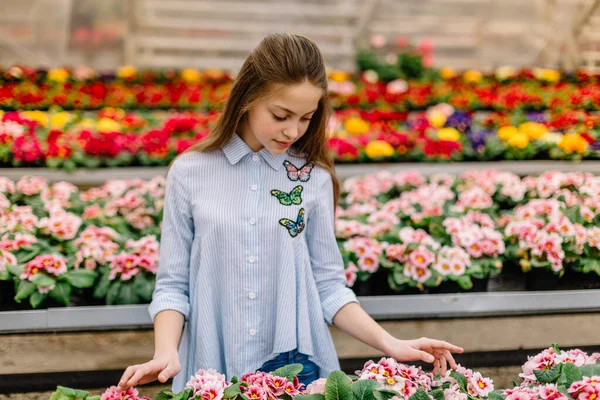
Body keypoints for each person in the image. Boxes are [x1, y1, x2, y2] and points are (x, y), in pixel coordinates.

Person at [117, 33, 463, 392]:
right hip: (211, 371)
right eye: (281, 115)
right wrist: (165, 352)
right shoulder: (190, 172)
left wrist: (392, 344)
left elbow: (328, 286)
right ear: (248, 98)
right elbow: (173, 285)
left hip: (298, 369)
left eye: (306, 118)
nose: (293, 131)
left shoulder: (313, 177)